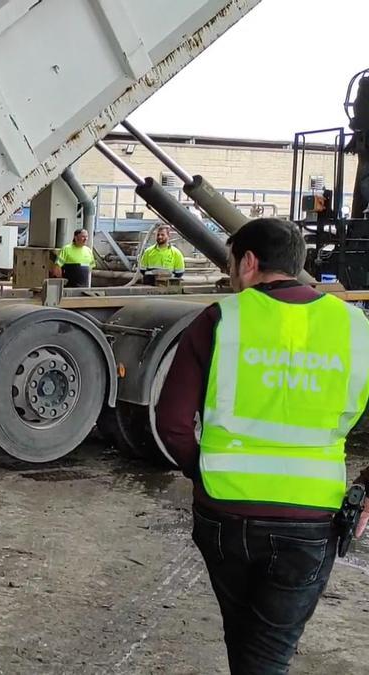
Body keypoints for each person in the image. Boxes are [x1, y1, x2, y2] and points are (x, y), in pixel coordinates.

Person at [156, 217, 369, 675]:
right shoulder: (356, 327)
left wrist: (208, 471)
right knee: (267, 651)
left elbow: (172, 424)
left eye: (232, 262)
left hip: (226, 516)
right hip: (312, 520)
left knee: (246, 643)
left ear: (249, 262)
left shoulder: (220, 319)